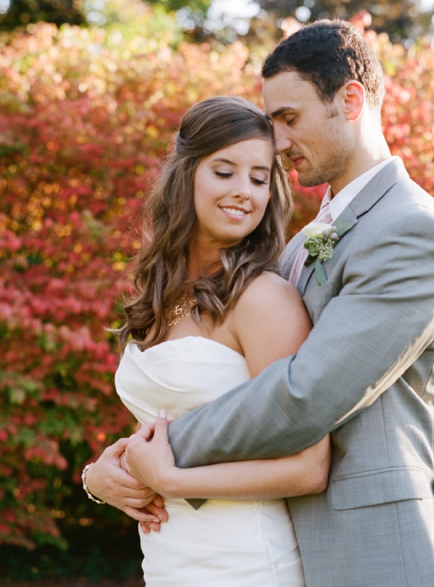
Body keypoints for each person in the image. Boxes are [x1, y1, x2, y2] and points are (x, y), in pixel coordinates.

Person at [119, 19, 434, 587]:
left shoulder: (412, 232)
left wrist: (152, 454)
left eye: (289, 119)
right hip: (280, 541)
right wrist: (117, 465)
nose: (277, 142)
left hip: (379, 547)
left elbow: (305, 392)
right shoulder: (309, 240)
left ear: (350, 100)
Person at [82, 95, 331, 586]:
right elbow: (158, 430)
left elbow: (308, 466)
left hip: (245, 562)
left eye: (259, 178)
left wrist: (172, 481)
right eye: (224, 171)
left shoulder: (265, 301)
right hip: (169, 558)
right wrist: (99, 478)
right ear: (186, 174)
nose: (244, 191)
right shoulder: (159, 293)